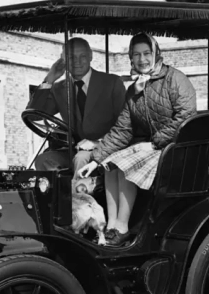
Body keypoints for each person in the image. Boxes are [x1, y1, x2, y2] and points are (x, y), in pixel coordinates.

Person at [78, 32, 197, 247]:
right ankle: (112, 227)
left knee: (125, 166)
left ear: (156, 54)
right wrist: (96, 160)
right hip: (151, 147)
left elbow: (186, 116)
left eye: (147, 53)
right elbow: (123, 129)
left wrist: (154, 143)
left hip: (178, 147)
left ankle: (122, 227)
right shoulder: (133, 90)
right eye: (136, 55)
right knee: (110, 165)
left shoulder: (175, 79)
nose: (142, 60)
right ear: (131, 58)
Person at [27, 37, 126, 171]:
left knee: (81, 158)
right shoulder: (58, 88)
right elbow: (34, 115)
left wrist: (99, 142)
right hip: (73, 150)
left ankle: (80, 191)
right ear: (63, 59)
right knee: (43, 160)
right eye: (72, 58)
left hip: (107, 149)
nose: (77, 62)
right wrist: (50, 78)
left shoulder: (112, 83)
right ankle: (60, 191)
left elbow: (124, 124)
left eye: (83, 56)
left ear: (91, 56)